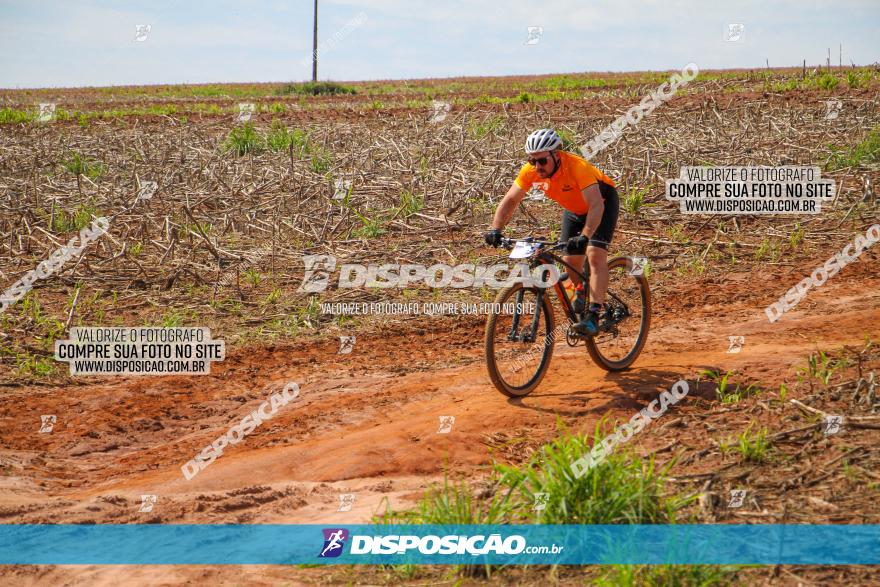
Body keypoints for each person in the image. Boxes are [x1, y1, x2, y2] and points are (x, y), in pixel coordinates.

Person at [485, 128, 620, 336]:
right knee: (572, 261)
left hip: (601, 204)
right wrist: (496, 229)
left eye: (542, 161)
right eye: (532, 161)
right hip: (574, 210)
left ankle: (593, 316)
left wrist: (585, 236)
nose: (537, 166)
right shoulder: (531, 171)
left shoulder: (577, 167)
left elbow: (596, 205)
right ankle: (582, 290)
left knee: (594, 255)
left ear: (556, 155)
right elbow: (511, 199)